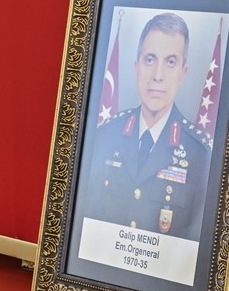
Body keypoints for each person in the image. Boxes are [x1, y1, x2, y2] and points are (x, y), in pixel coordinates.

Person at [83, 12, 211, 241]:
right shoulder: (104, 136)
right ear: (137, 67)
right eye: (150, 60)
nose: (158, 76)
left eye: (170, 62)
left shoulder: (199, 155)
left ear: (183, 74)